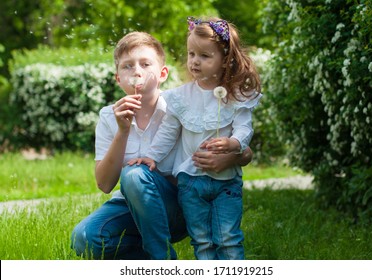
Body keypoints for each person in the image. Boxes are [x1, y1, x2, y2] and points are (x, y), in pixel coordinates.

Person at [70, 31, 253, 260]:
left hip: (184, 203)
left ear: (163, 73)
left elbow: (245, 151)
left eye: (146, 64)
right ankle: (150, 256)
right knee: (85, 238)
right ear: (118, 78)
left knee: (135, 174)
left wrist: (231, 157)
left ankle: (163, 262)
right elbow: (105, 184)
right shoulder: (109, 117)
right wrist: (123, 130)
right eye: (127, 66)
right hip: (133, 208)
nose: (137, 71)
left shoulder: (181, 105)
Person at [129, 17, 262, 260]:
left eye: (204, 56)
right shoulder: (181, 97)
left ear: (225, 61)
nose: (195, 61)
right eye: (191, 54)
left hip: (226, 182)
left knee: (228, 238)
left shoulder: (236, 95)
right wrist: (152, 156)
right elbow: (168, 132)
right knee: (201, 241)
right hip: (190, 181)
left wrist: (234, 144)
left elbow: (244, 127)